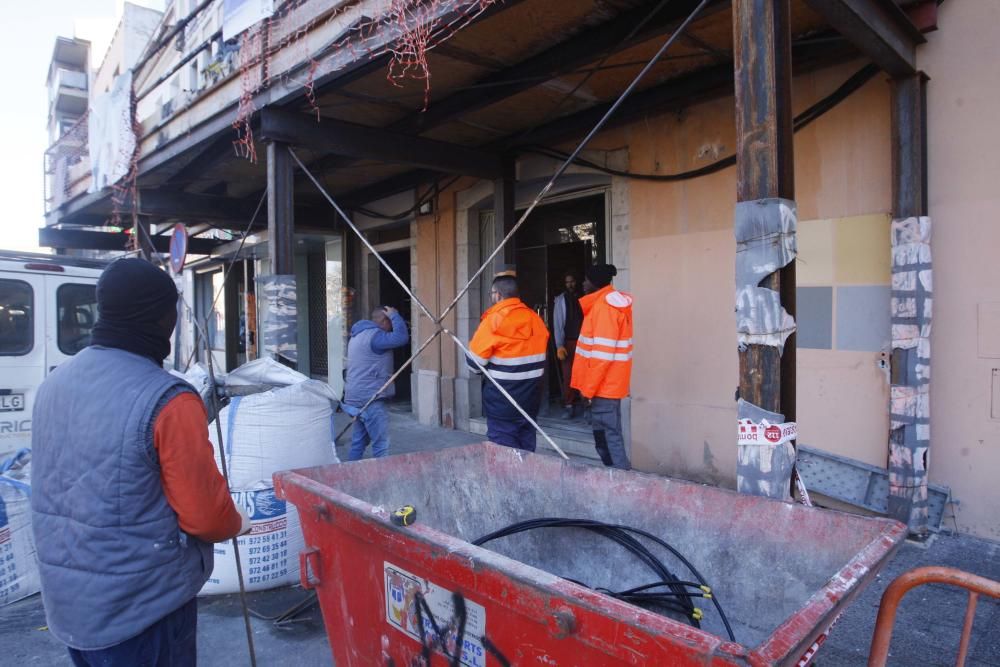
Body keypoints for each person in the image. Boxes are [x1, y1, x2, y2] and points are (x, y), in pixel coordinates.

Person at [30, 258, 250, 667]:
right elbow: (206, 518)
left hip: (69, 605)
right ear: (159, 316)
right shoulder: (167, 399)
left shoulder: (54, 383)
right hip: (142, 608)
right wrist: (236, 521)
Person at [467, 275, 549, 451]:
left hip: (502, 404)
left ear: (497, 295)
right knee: (527, 456)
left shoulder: (493, 321)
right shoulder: (536, 319)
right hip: (530, 402)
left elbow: (474, 365)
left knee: (503, 462)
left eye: (491, 294)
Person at [571, 263, 634, 469]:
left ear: (594, 283)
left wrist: (588, 390)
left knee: (609, 439)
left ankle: (621, 482)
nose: (583, 283)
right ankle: (615, 479)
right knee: (605, 438)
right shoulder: (604, 306)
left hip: (602, 388)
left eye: (586, 279)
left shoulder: (604, 309)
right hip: (606, 386)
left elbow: (601, 358)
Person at [343, 306, 410, 460]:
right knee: (381, 443)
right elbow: (401, 338)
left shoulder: (357, 335)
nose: (391, 327)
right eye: (390, 323)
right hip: (370, 397)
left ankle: (350, 472)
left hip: (355, 395)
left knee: (359, 441)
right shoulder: (376, 337)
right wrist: (395, 315)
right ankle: (382, 477)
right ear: (384, 320)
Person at [553, 270, 584, 419]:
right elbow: (557, 324)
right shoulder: (560, 300)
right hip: (567, 342)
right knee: (568, 376)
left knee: (584, 375)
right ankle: (569, 405)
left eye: (572, 281)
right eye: (567, 282)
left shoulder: (584, 298)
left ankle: (587, 405)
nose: (570, 284)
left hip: (583, 342)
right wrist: (559, 345)